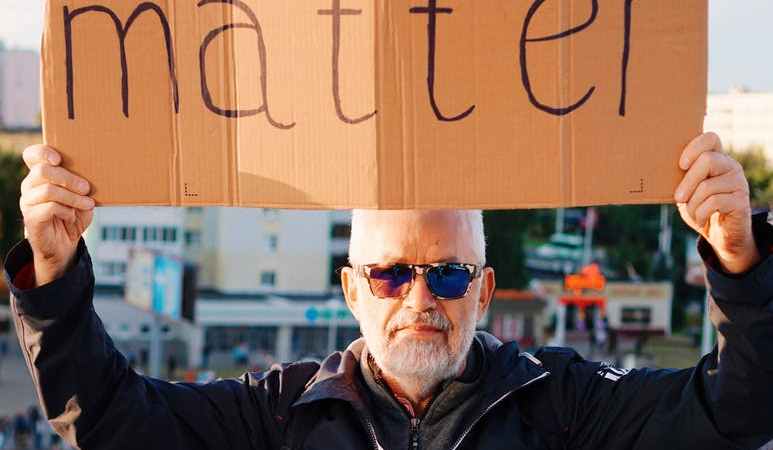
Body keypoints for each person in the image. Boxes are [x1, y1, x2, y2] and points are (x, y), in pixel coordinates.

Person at [4, 133, 773, 449]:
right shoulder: (280, 412)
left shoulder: (560, 401)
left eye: (445, 273)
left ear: (483, 289)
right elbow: (105, 422)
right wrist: (51, 271)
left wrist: (737, 261)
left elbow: (737, 412)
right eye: (390, 273)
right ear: (350, 289)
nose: (419, 299)